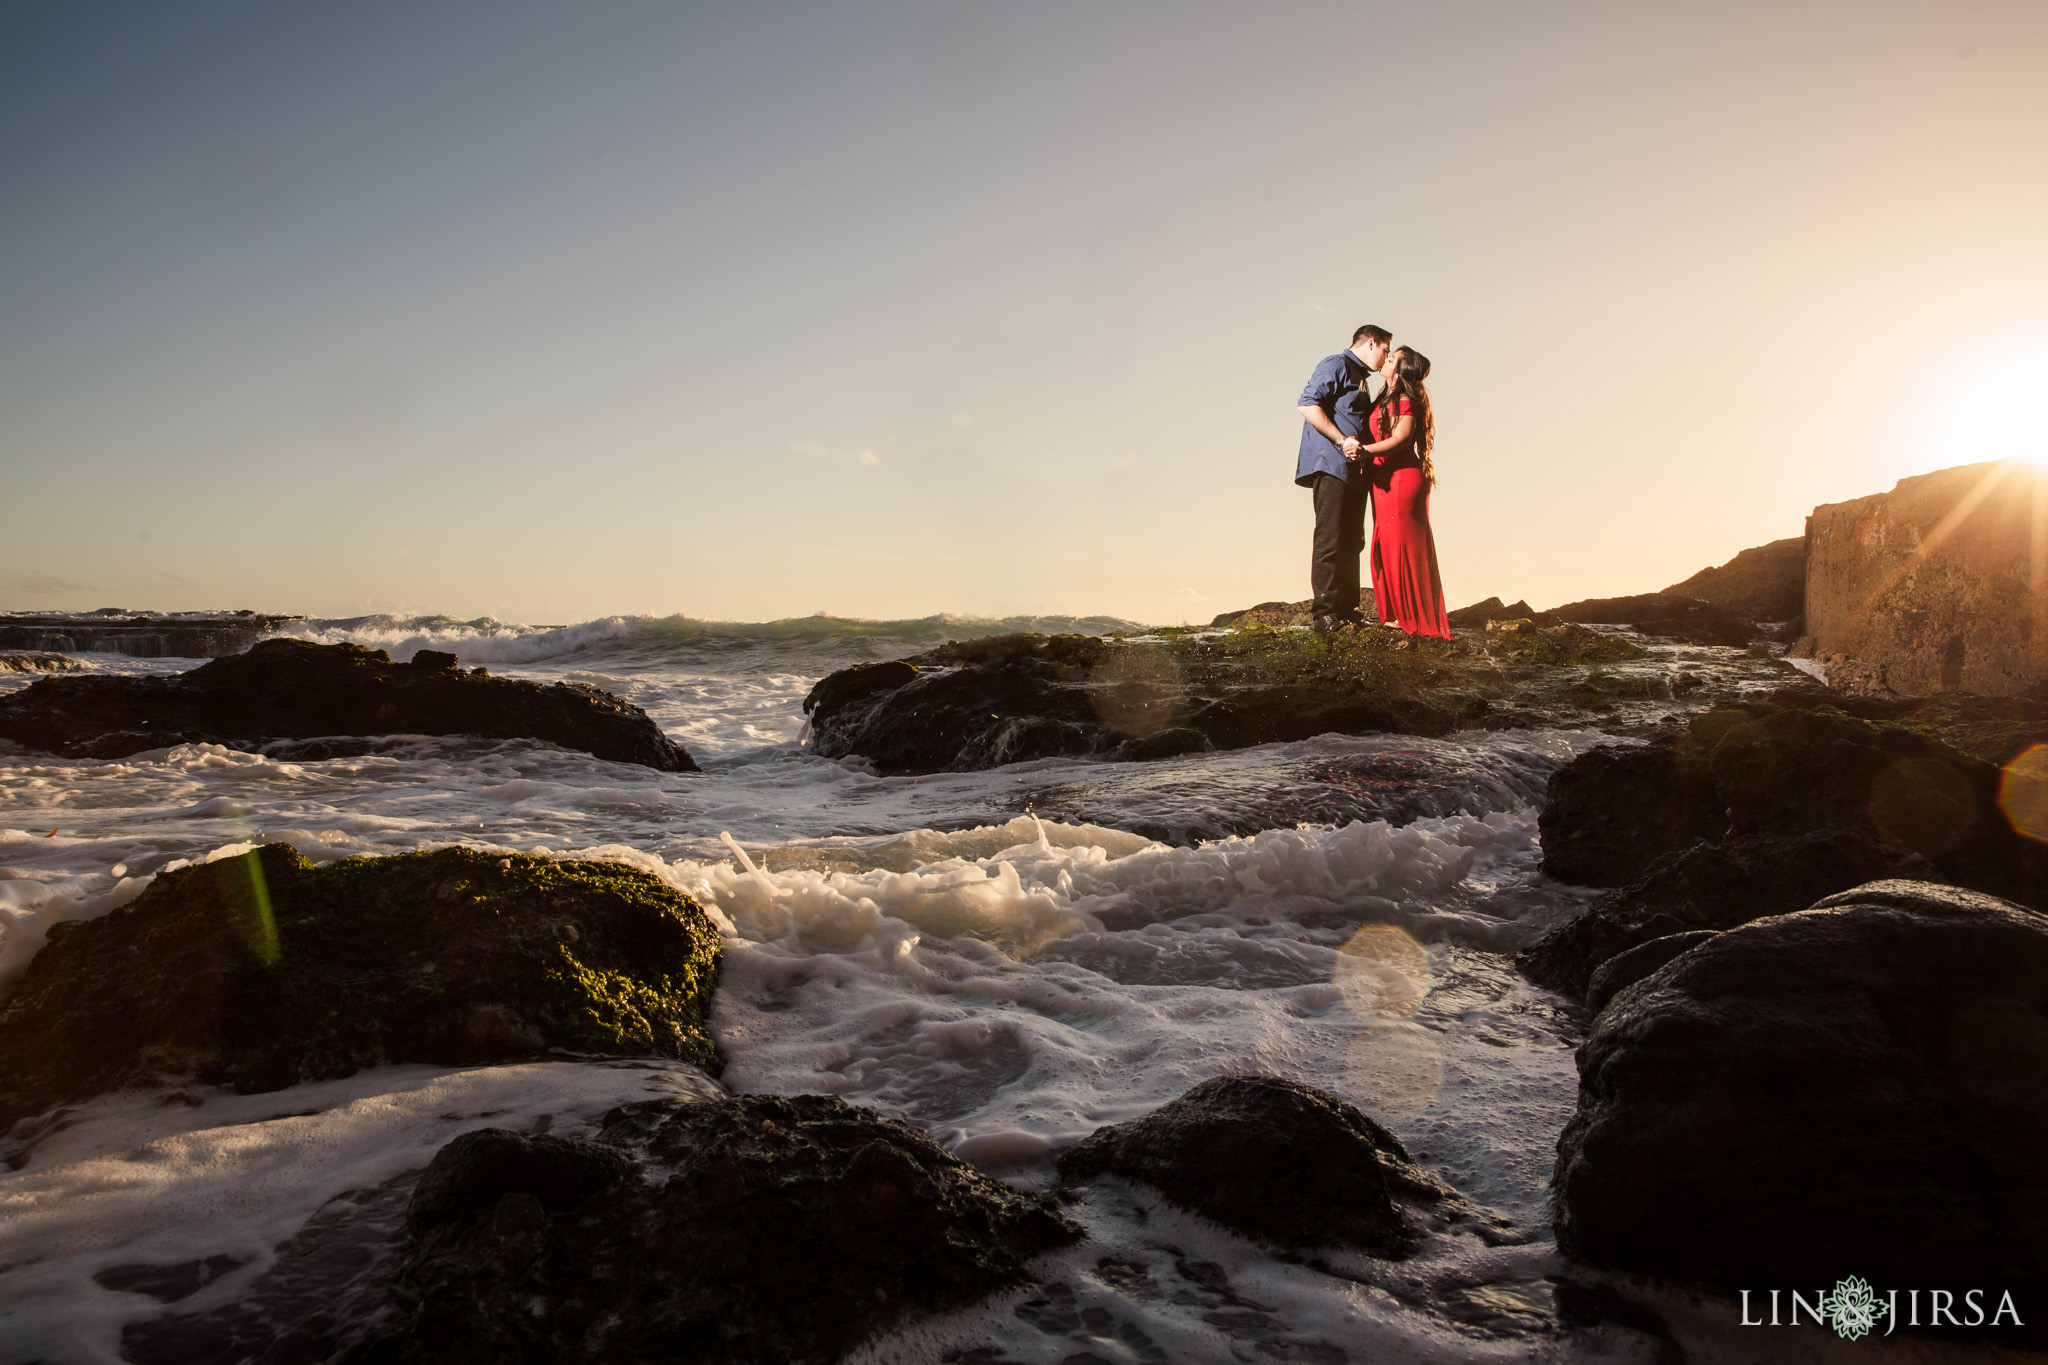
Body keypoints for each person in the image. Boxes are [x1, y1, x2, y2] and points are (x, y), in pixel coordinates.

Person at [1295, 325, 1391, 632]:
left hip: (1354, 471)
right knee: (1331, 538)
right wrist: (1340, 440)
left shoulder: (1361, 378)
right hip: (1331, 464)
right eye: (1385, 350)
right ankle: (1324, 613)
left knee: (1353, 541)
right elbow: (1307, 404)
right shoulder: (1336, 364)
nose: (1385, 357)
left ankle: (1348, 610)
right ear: (1371, 343)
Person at [1358, 346, 1450, 639]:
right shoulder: (1385, 397)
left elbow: (1400, 439)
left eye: (1392, 358)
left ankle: (1413, 618)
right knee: (1385, 545)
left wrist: (1363, 451)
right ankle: (1396, 615)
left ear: (1399, 371)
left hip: (1401, 479)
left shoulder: (1407, 399)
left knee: (1401, 546)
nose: (1385, 360)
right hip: (1384, 478)